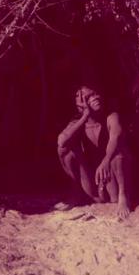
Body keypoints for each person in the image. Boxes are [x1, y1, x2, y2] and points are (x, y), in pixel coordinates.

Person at [56, 85, 132, 220]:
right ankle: (76, 194)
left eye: (95, 94)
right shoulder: (78, 122)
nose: (95, 97)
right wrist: (84, 116)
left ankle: (123, 196)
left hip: (110, 175)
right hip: (93, 180)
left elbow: (116, 136)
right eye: (88, 97)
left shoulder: (111, 116)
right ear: (80, 105)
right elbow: (62, 142)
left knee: (118, 151)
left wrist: (106, 160)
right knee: (65, 150)